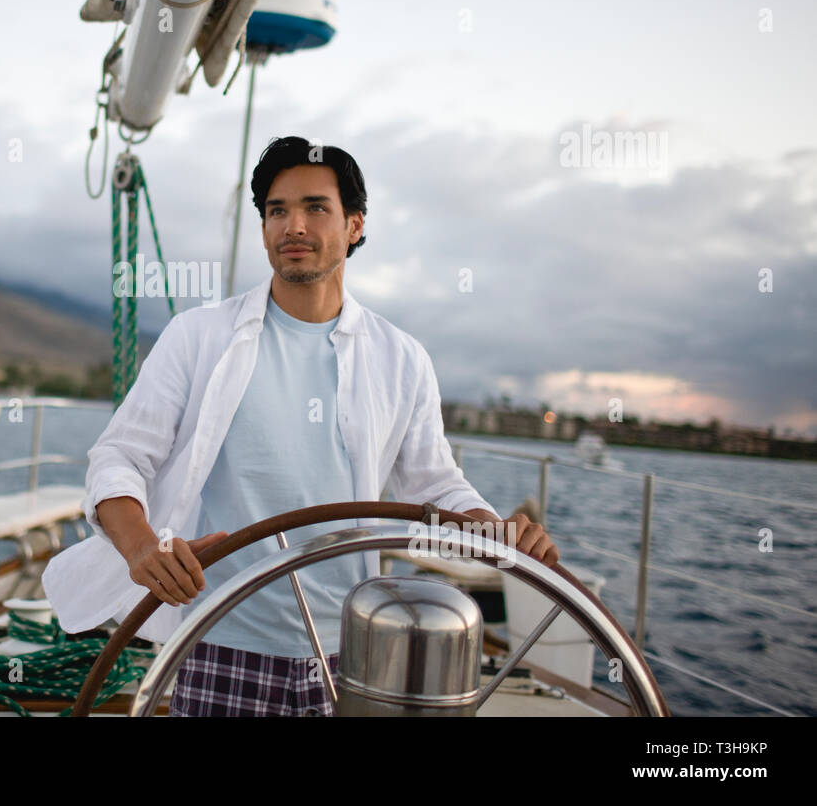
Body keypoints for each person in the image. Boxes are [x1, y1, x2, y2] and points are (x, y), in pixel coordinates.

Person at [42, 136, 558, 716]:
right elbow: (119, 458)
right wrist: (142, 549)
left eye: (316, 207)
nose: (293, 226)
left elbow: (434, 486)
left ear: (355, 225)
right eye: (276, 210)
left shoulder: (402, 358)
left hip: (354, 650)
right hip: (219, 639)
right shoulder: (198, 336)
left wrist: (498, 533)